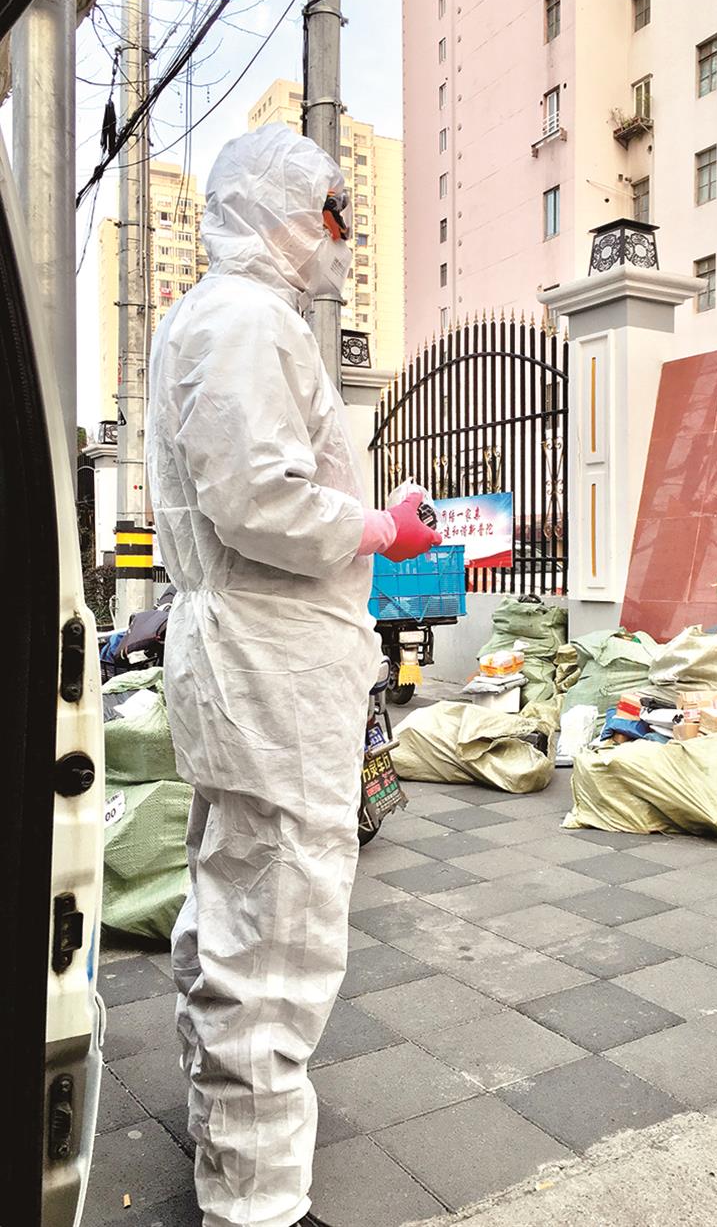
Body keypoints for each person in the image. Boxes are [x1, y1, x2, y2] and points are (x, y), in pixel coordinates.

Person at [146, 124, 440, 1227]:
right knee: (278, 926)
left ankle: (228, 1136)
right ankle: (257, 1203)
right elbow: (258, 501)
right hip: (269, 665)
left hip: (251, 659)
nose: (342, 236)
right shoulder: (246, 320)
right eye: (331, 212)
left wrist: (367, 522)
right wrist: (379, 528)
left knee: (234, 901)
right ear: (279, 212)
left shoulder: (215, 317)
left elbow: (247, 488)